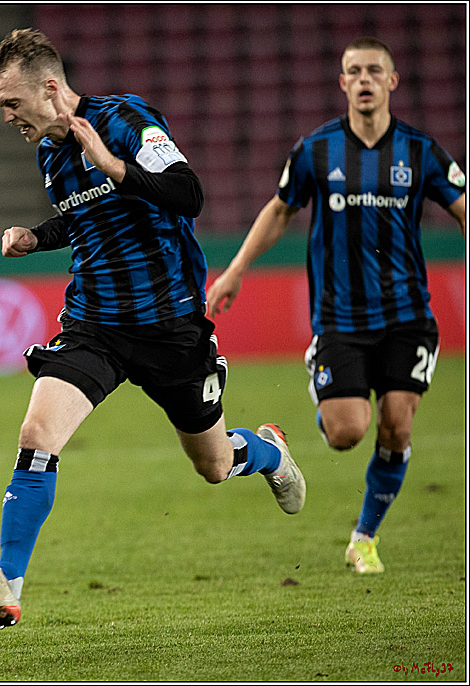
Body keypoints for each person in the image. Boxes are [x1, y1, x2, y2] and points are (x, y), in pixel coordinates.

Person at [0, 29, 306, 628]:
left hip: (170, 324)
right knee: (37, 434)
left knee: (214, 464)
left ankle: (268, 451)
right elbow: (82, 216)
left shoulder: (125, 120)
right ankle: (7, 580)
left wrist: (115, 165)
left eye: (11, 103)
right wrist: (38, 236)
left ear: (52, 89)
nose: (3, 116)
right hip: (96, 324)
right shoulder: (49, 151)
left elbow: (188, 194)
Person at [207, 37, 465, 575]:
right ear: (343, 83)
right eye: (355, 71)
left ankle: (364, 538)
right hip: (341, 318)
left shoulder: (421, 152)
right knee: (348, 433)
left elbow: (464, 207)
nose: (365, 79)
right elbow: (280, 210)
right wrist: (234, 270)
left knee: (396, 425)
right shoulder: (316, 151)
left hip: (408, 316)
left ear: (392, 81)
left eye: (375, 70)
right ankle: (297, 423)